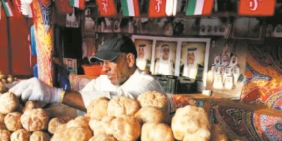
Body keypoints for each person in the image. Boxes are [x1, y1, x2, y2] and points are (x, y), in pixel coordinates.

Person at [10, 35, 166, 112]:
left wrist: (55, 94)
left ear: (130, 60)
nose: (104, 68)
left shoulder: (147, 84)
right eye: (101, 62)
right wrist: (44, 107)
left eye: (109, 61)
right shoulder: (103, 81)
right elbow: (77, 104)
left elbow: (121, 103)